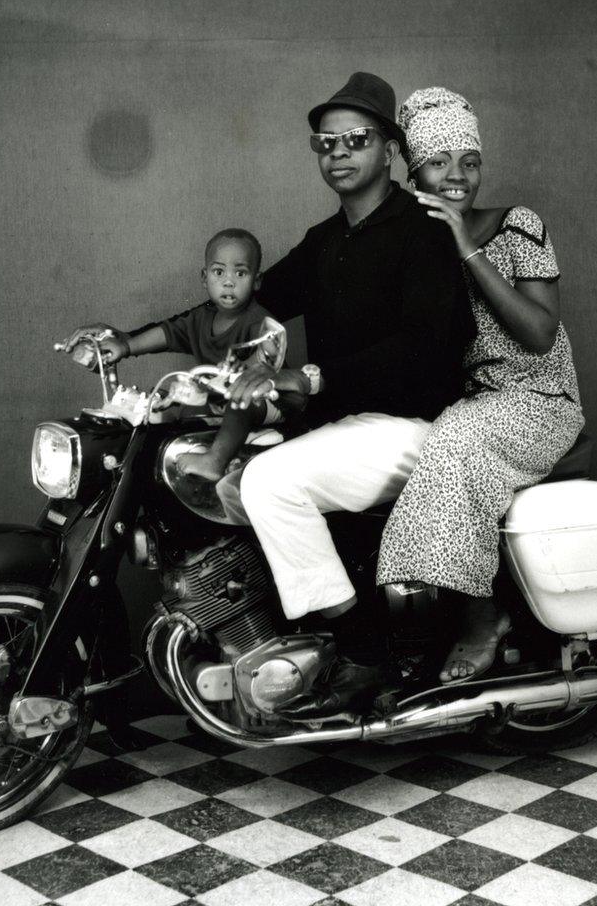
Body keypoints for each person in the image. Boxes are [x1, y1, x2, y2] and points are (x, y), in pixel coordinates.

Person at [222, 73, 476, 718]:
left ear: (388, 147)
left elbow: (424, 347)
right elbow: (251, 305)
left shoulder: (424, 230)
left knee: (272, 483)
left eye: (355, 139)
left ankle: (366, 653)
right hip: (346, 426)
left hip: (418, 428)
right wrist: (131, 341)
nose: (338, 152)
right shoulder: (325, 241)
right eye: (323, 142)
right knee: (224, 477)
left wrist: (308, 377)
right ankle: (266, 638)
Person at [375, 87, 585, 682]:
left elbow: (540, 334)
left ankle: (480, 618)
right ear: (414, 172)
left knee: (456, 438)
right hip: (472, 402)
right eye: (438, 163)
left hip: (540, 399)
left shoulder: (519, 225)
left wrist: (468, 247)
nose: (457, 176)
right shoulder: (414, 243)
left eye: (469, 161)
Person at [72, 228, 286, 482]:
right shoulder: (200, 318)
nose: (229, 282)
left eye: (240, 273)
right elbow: (167, 333)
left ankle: (215, 460)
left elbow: (268, 356)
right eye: (219, 272)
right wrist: (126, 347)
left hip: (267, 400)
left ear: (257, 280)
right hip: (218, 400)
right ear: (204, 277)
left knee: (242, 401)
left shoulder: (258, 321)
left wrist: (247, 366)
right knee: (163, 401)